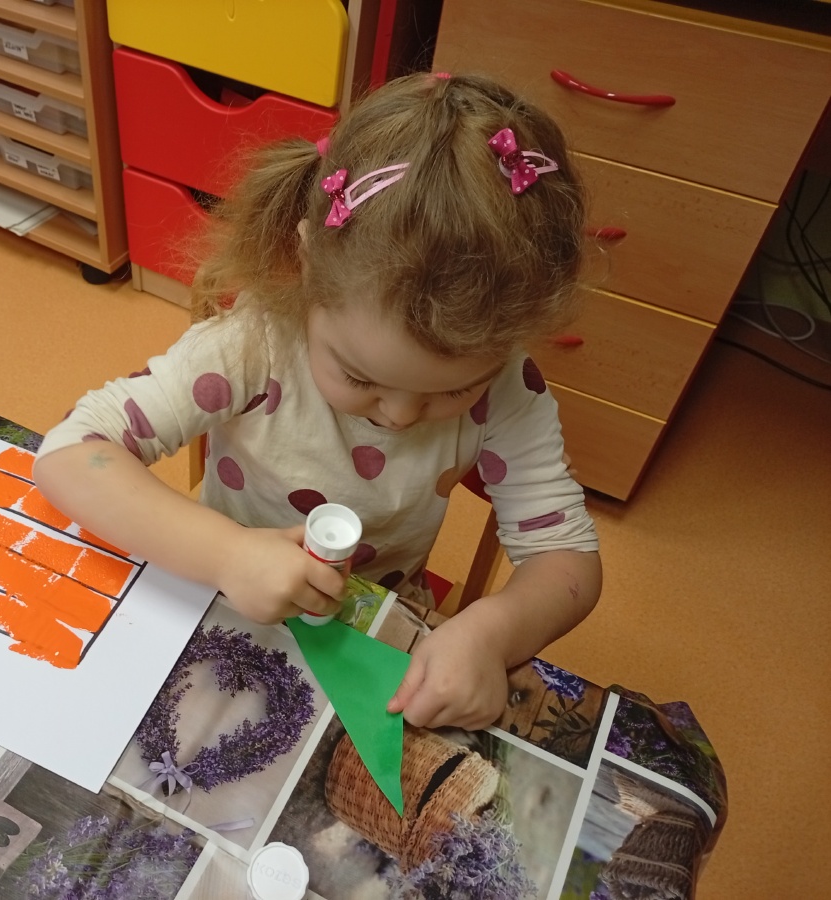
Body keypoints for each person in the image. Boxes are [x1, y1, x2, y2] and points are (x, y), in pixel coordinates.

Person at [34, 72, 602, 731]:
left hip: (372, 625)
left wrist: (492, 631)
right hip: (217, 588)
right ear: (305, 264)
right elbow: (68, 454)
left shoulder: (507, 387)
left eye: (453, 389)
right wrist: (226, 554)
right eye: (359, 376)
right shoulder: (255, 344)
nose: (398, 415)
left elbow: (568, 558)